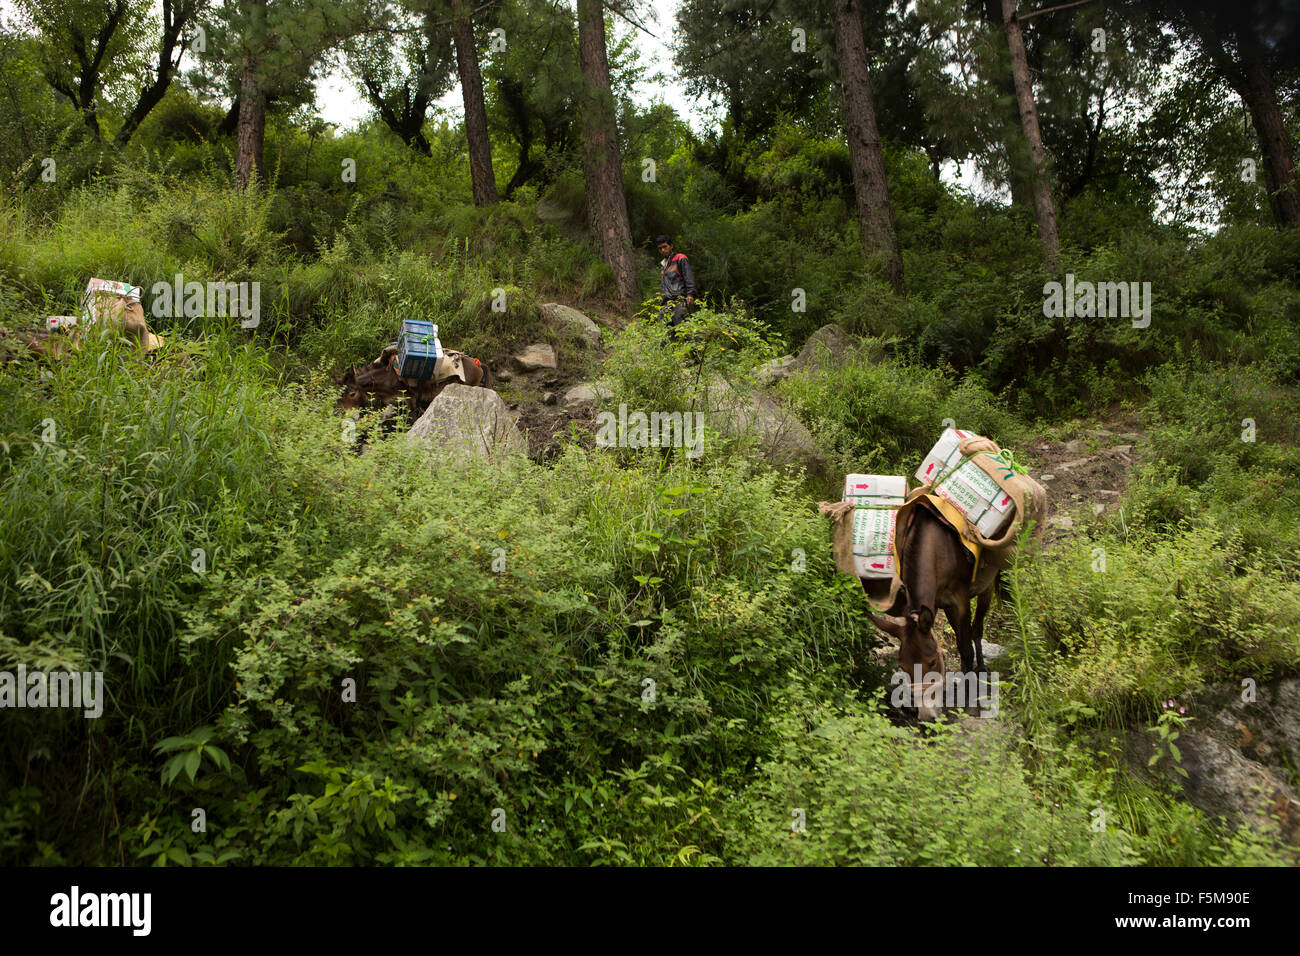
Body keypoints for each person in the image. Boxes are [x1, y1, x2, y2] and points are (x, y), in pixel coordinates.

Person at [656, 235, 697, 338]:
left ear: (671, 246)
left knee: (685, 331)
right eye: (660, 248)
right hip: (665, 303)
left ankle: (696, 353)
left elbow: (688, 277)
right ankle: (669, 354)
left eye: (665, 247)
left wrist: (690, 294)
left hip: (679, 300)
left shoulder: (680, 258)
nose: (663, 250)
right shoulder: (663, 265)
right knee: (665, 335)